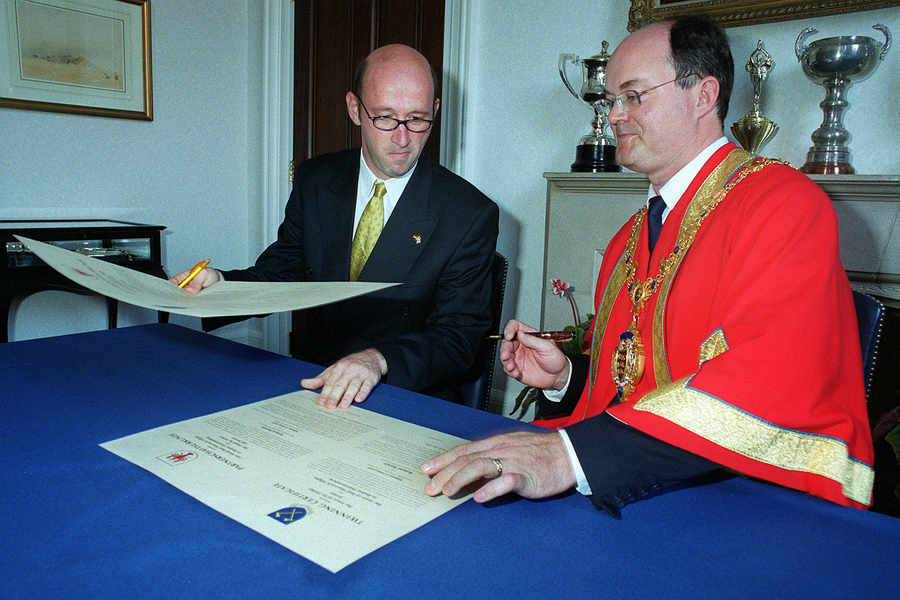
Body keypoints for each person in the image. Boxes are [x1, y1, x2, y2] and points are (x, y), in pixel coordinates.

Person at [422, 17, 874, 515]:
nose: (615, 114)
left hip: (754, 504)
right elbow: (638, 382)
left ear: (703, 96)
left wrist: (570, 457)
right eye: (612, 99)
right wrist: (567, 379)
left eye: (633, 96)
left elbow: (767, 387)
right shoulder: (629, 237)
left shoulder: (783, 204)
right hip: (648, 485)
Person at [172, 44, 499, 409]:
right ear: (354, 109)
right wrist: (222, 285)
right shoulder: (315, 180)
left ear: (435, 110)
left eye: (418, 119)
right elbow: (282, 273)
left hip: (405, 398)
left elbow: (459, 339)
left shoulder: (469, 213)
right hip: (310, 388)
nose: (403, 138)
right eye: (386, 118)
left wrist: (378, 360)